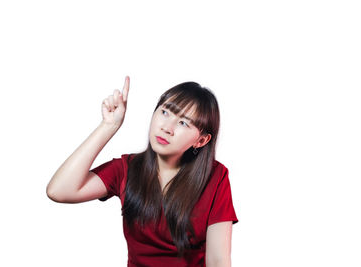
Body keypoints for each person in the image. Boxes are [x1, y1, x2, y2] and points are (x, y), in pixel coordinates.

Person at [46, 76, 239, 266]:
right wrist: (108, 126)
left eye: (183, 123)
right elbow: (59, 190)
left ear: (201, 140)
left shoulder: (215, 177)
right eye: (165, 112)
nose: (167, 128)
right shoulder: (126, 169)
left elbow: (218, 260)